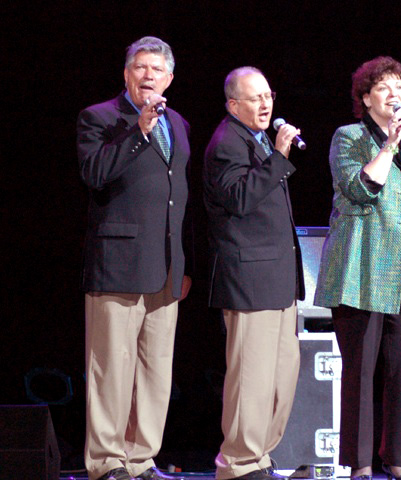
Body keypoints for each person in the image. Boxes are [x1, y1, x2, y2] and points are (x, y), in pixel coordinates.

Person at [314, 56, 401, 480]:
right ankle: (361, 463)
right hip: (361, 270)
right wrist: (388, 144)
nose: (394, 95)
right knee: (360, 371)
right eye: (384, 88)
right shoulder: (348, 137)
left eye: (400, 88)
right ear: (365, 98)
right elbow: (360, 188)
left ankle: (399, 459)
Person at [77, 36, 192, 480]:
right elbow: (95, 173)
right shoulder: (101, 117)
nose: (148, 76)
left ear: (170, 79)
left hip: (166, 266)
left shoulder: (179, 123)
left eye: (157, 69)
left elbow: (179, 199)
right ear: (126, 74)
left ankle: (141, 459)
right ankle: (107, 462)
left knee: (155, 371)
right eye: (140, 67)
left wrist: (185, 263)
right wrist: (138, 132)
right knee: (112, 368)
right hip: (118, 263)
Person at [203, 66, 305, 480]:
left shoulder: (257, 139)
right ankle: (239, 464)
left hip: (277, 281)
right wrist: (279, 157)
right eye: (255, 98)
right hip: (248, 281)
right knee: (251, 379)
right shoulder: (227, 142)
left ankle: (260, 457)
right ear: (233, 105)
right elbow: (240, 198)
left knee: (281, 378)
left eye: (268, 96)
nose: (266, 105)